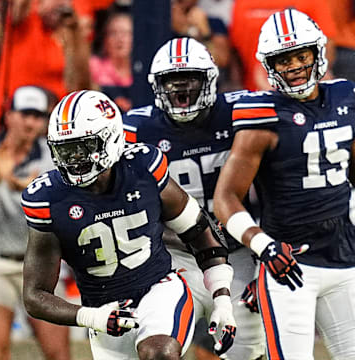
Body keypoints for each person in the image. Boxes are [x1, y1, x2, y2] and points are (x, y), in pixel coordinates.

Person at [20, 89, 237, 360]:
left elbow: (200, 230)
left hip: (160, 288)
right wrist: (93, 317)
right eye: (64, 150)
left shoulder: (143, 169)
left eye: (81, 148)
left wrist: (222, 299)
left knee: (160, 353)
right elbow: (35, 295)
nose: (72, 160)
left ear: (110, 139)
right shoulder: (47, 198)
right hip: (102, 310)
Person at [214, 8, 355, 360]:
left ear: (318, 53)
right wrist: (264, 247)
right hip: (289, 266)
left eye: (301, 56)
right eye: (283, 59)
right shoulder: (262, 114)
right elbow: (226, 198)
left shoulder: (345, 98)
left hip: (344, 255)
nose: (293, 66)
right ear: (268, 65)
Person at [122, 37, 265, 360]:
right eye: (171, 83)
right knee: (153, 344)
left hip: (237, 250)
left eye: (190, 81)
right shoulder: (136, 128)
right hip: (176, 256)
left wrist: (263, 265)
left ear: (210, 79)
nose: (181, 91)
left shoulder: (241, 112)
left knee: (247, 352)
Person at [0, 85, 70, 360]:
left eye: (38, 116)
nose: (31, 122)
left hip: (42, 263)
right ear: (9, 115)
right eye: (24, 114)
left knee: (59, 354)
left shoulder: (55, 157)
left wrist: (34, 192)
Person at [0, 0, 91, 131]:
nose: (59, 4)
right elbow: (19, 6)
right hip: (15, 118)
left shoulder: (70, 36)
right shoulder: (25, 23)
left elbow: (80, 85)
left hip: (53, 124)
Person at [228, 0, 338, 91]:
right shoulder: (242, 3)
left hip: (303, 91)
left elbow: (326, 44)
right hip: (256, 91)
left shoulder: (312, 2)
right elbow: (235, 49)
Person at [90, 8, 133, 113]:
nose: (120, 39)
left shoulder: (141, 69)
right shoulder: (93, 66)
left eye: (125, 33)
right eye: (113, 33)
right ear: (105, 38)